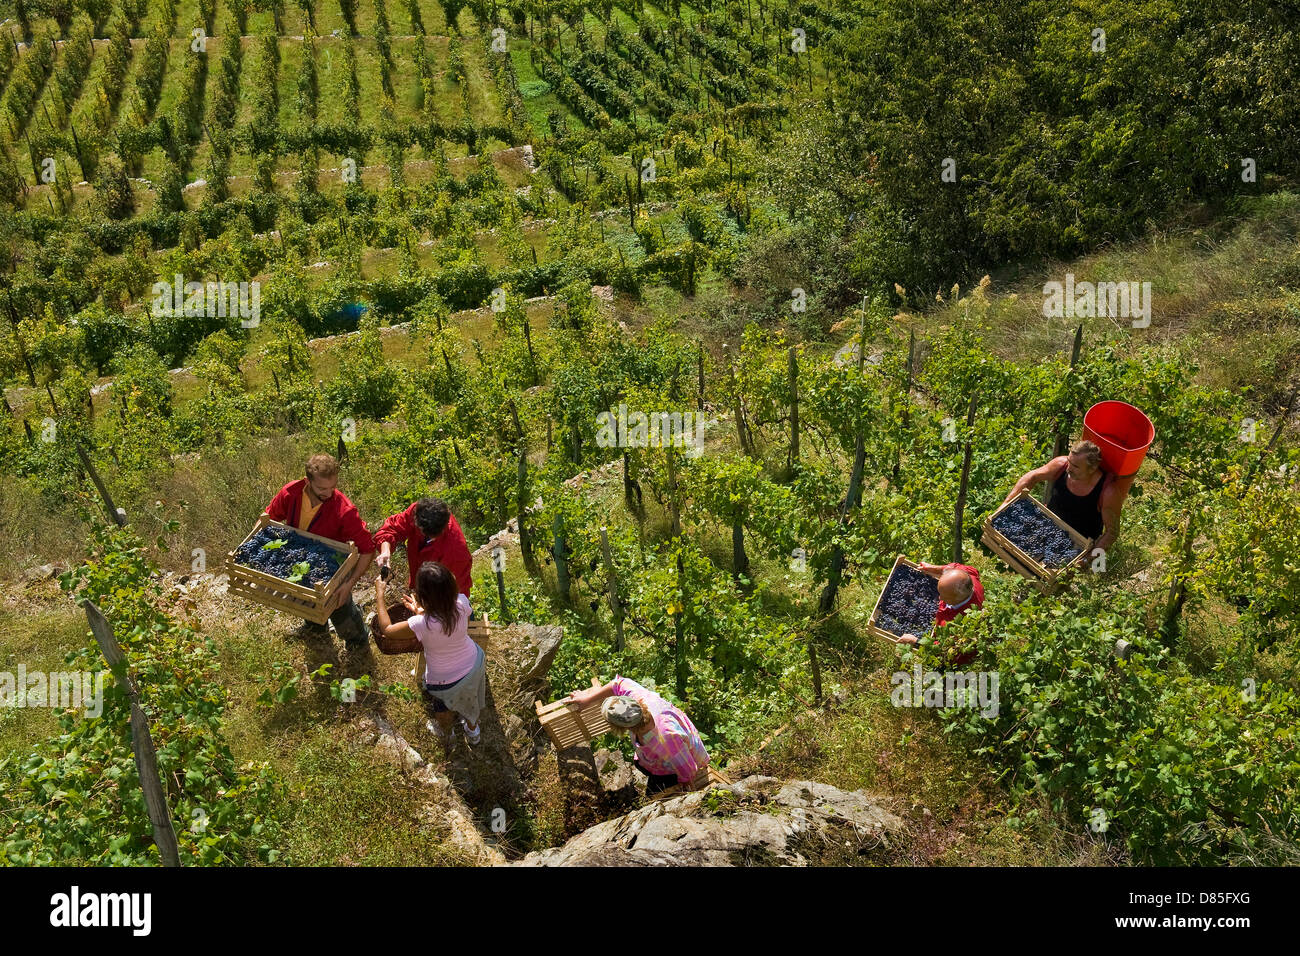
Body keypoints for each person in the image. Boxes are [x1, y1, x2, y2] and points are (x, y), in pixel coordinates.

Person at [263, 453, 374, 647]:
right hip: (301, 559)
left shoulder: (344, 510)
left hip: (332, 566)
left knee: (340, 608)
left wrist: (349, 584)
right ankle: (315, 630)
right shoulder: (291, 493)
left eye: (333, 487)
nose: (329, 493)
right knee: (306, 597)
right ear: (307, 481)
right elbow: (267, 518)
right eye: (322, 488)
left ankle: (358, 641)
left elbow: (367, 549)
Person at [374, 561, 485, 746]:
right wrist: (422, 611)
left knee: (442, 709)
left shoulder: (420, 624)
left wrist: (379, 594)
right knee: (470, 699)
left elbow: (386, 629)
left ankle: (448, 734)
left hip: (444, 681)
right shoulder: (462, 602)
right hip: (475, 664)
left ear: (423, 597)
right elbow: (444, 617)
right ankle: (473, 732)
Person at [564, 677, 709, 794]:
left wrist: (686, 787)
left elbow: (688, 769)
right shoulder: (639, 699)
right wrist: (587, 699)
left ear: (621, 727)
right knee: (640, 764)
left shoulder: (665, 740)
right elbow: (618, 683)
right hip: (663, 757)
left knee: (655, 792)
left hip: (678, 765)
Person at [1002, 439, 1123, 551]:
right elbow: (1032, 477)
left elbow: (1112, 532)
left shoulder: (1108, 492)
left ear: (1092, 469)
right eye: (1069, 461)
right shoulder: (1061, 465)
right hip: (1046, 529)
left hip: (1075, 546)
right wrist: (1005, 505)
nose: (1069, 468)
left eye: (1075, 466)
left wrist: (1087, 559)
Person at [374, 497, 473, 596]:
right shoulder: (420, 511)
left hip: (438, 597)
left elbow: (456, 596)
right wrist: (385, 551)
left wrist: (426, 606)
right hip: (421, 583)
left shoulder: (456, 553)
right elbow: (392, 528)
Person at [897, 561, 984, 668]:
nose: (940, 598)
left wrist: (916, 641)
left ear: (957, 598)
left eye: (944, 596)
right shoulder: (968, 576)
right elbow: (956, 567)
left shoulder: (957, 625)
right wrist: (933, 567)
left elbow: (944, 652)